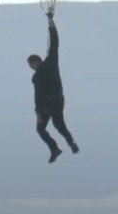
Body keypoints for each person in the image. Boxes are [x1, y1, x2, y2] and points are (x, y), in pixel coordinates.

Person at [27, 12, 79, 163]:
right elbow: (54, 43)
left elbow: (54, 43)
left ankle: (57, 147)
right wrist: (51, 23)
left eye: (31, 64)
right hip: (55, 102)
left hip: (48, 104)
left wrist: (38, 110)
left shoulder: (47, 66)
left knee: (45, 128)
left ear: (36, 61)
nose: (30, 67)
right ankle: (69, 144)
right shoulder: (50, 64)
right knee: (58, 125)